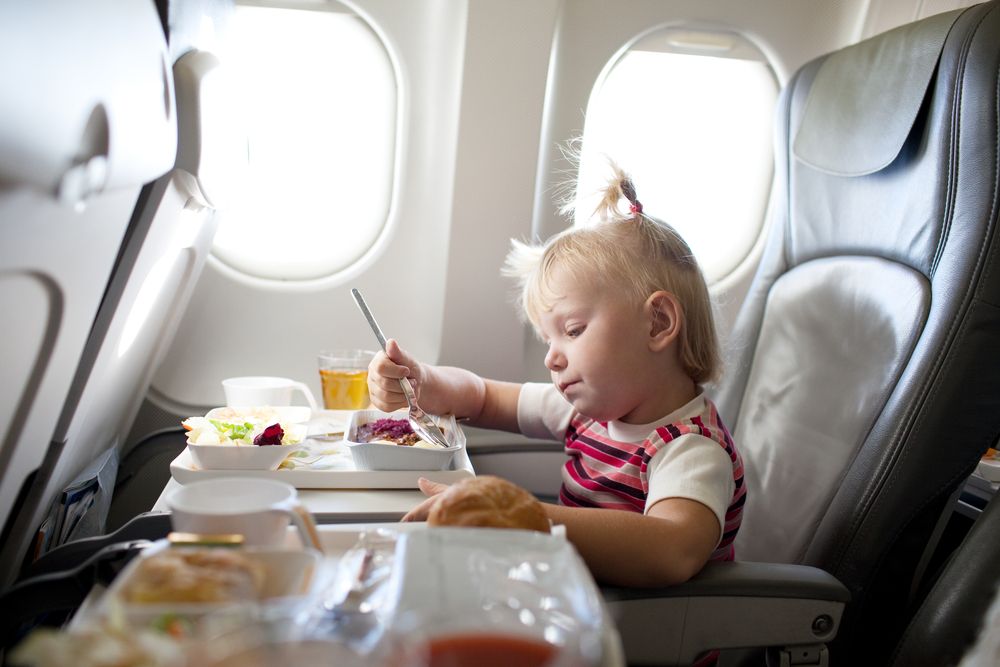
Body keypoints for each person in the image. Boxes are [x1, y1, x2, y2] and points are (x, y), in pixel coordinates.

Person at [367, 160, 745, 589]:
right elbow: (482, 397)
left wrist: (515, 514)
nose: (552, 359)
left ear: (657, 323)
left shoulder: (690, 449)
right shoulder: (590, 410)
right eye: (548, 340)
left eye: (573, 331)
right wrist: (424, 383)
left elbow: (669, 550)